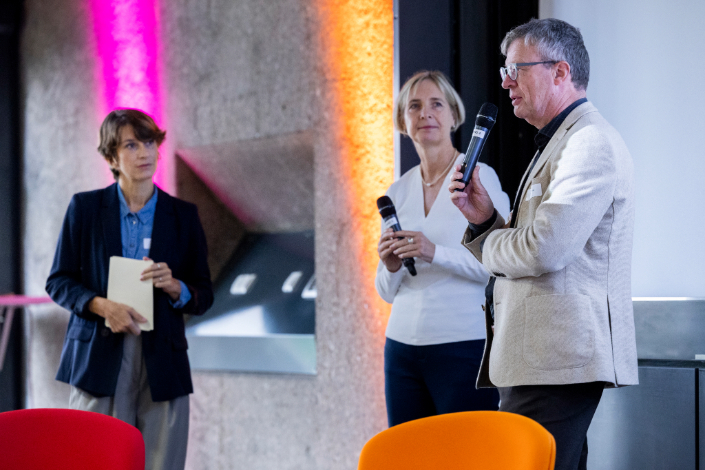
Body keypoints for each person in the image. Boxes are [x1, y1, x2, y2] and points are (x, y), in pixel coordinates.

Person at [449, 18, 638, 470]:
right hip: (538, 358)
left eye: (517, 68)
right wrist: (486, 220)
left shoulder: (588, 143)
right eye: (502, 70)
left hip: (556, 358)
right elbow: (530, 240)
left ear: (560, 72)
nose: (504, 81)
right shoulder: (557, 143)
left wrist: (492, 241)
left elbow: (543, 250)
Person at [46, 109, 213, 470]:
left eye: (149, 142)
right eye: (131, 144)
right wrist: (102, 306)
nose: (144, 153)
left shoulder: (183, 215)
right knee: (94, 459)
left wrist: (177, 288)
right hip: (98, 356)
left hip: (163, 360)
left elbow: (203, 293)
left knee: (161, 463)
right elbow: (58, 281)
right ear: (111, 157)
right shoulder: (85, 209)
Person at [376, 70, 510, 427]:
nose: (425, 113)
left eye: (436, 104)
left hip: (462, 345)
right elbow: (386, 293)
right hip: (401, 347)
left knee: (464, 457)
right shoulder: (395, 192)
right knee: (407, 459)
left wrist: (434, 252)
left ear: (453, 115)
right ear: (403, 120)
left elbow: (498, 264)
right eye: (414, 106)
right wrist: (389, 267)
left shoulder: (480, 177)